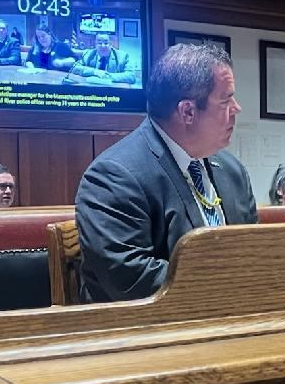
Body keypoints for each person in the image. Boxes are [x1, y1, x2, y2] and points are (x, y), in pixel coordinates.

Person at [75, 42, 257, 302]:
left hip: (230, 319)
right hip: (150, 332)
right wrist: (226, 284)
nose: (236, 109)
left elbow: (253, 250)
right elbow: (132, 279)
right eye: (226, 100)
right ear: (188, 112)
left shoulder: (232, 171)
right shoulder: (115, 176)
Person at [71, 32, 139, 85]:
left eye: (106, 43)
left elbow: (131, 76)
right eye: (99, 43)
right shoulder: (88, 54)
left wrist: (107, 76)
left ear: (111, 44)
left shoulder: (122, 56)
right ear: (95, 44)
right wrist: (96, 72)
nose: (103, 46)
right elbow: (74, 68)